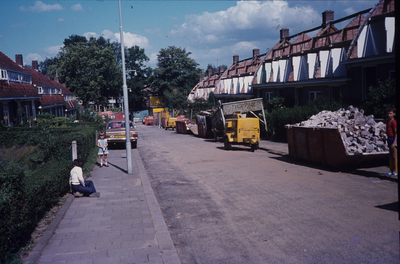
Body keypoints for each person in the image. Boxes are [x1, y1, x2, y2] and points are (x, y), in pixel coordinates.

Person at [385, 106, 397, 177]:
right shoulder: (387, 122)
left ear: (394, 114)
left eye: (390, 113)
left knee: (394, 155)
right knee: (390, 155)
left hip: (393, 139)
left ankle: (396, 170)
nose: (389, 115)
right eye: (388, 113)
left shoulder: (394, 122)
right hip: (389, 138)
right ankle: (391, 170)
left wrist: (394, 142)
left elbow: (396, 133)